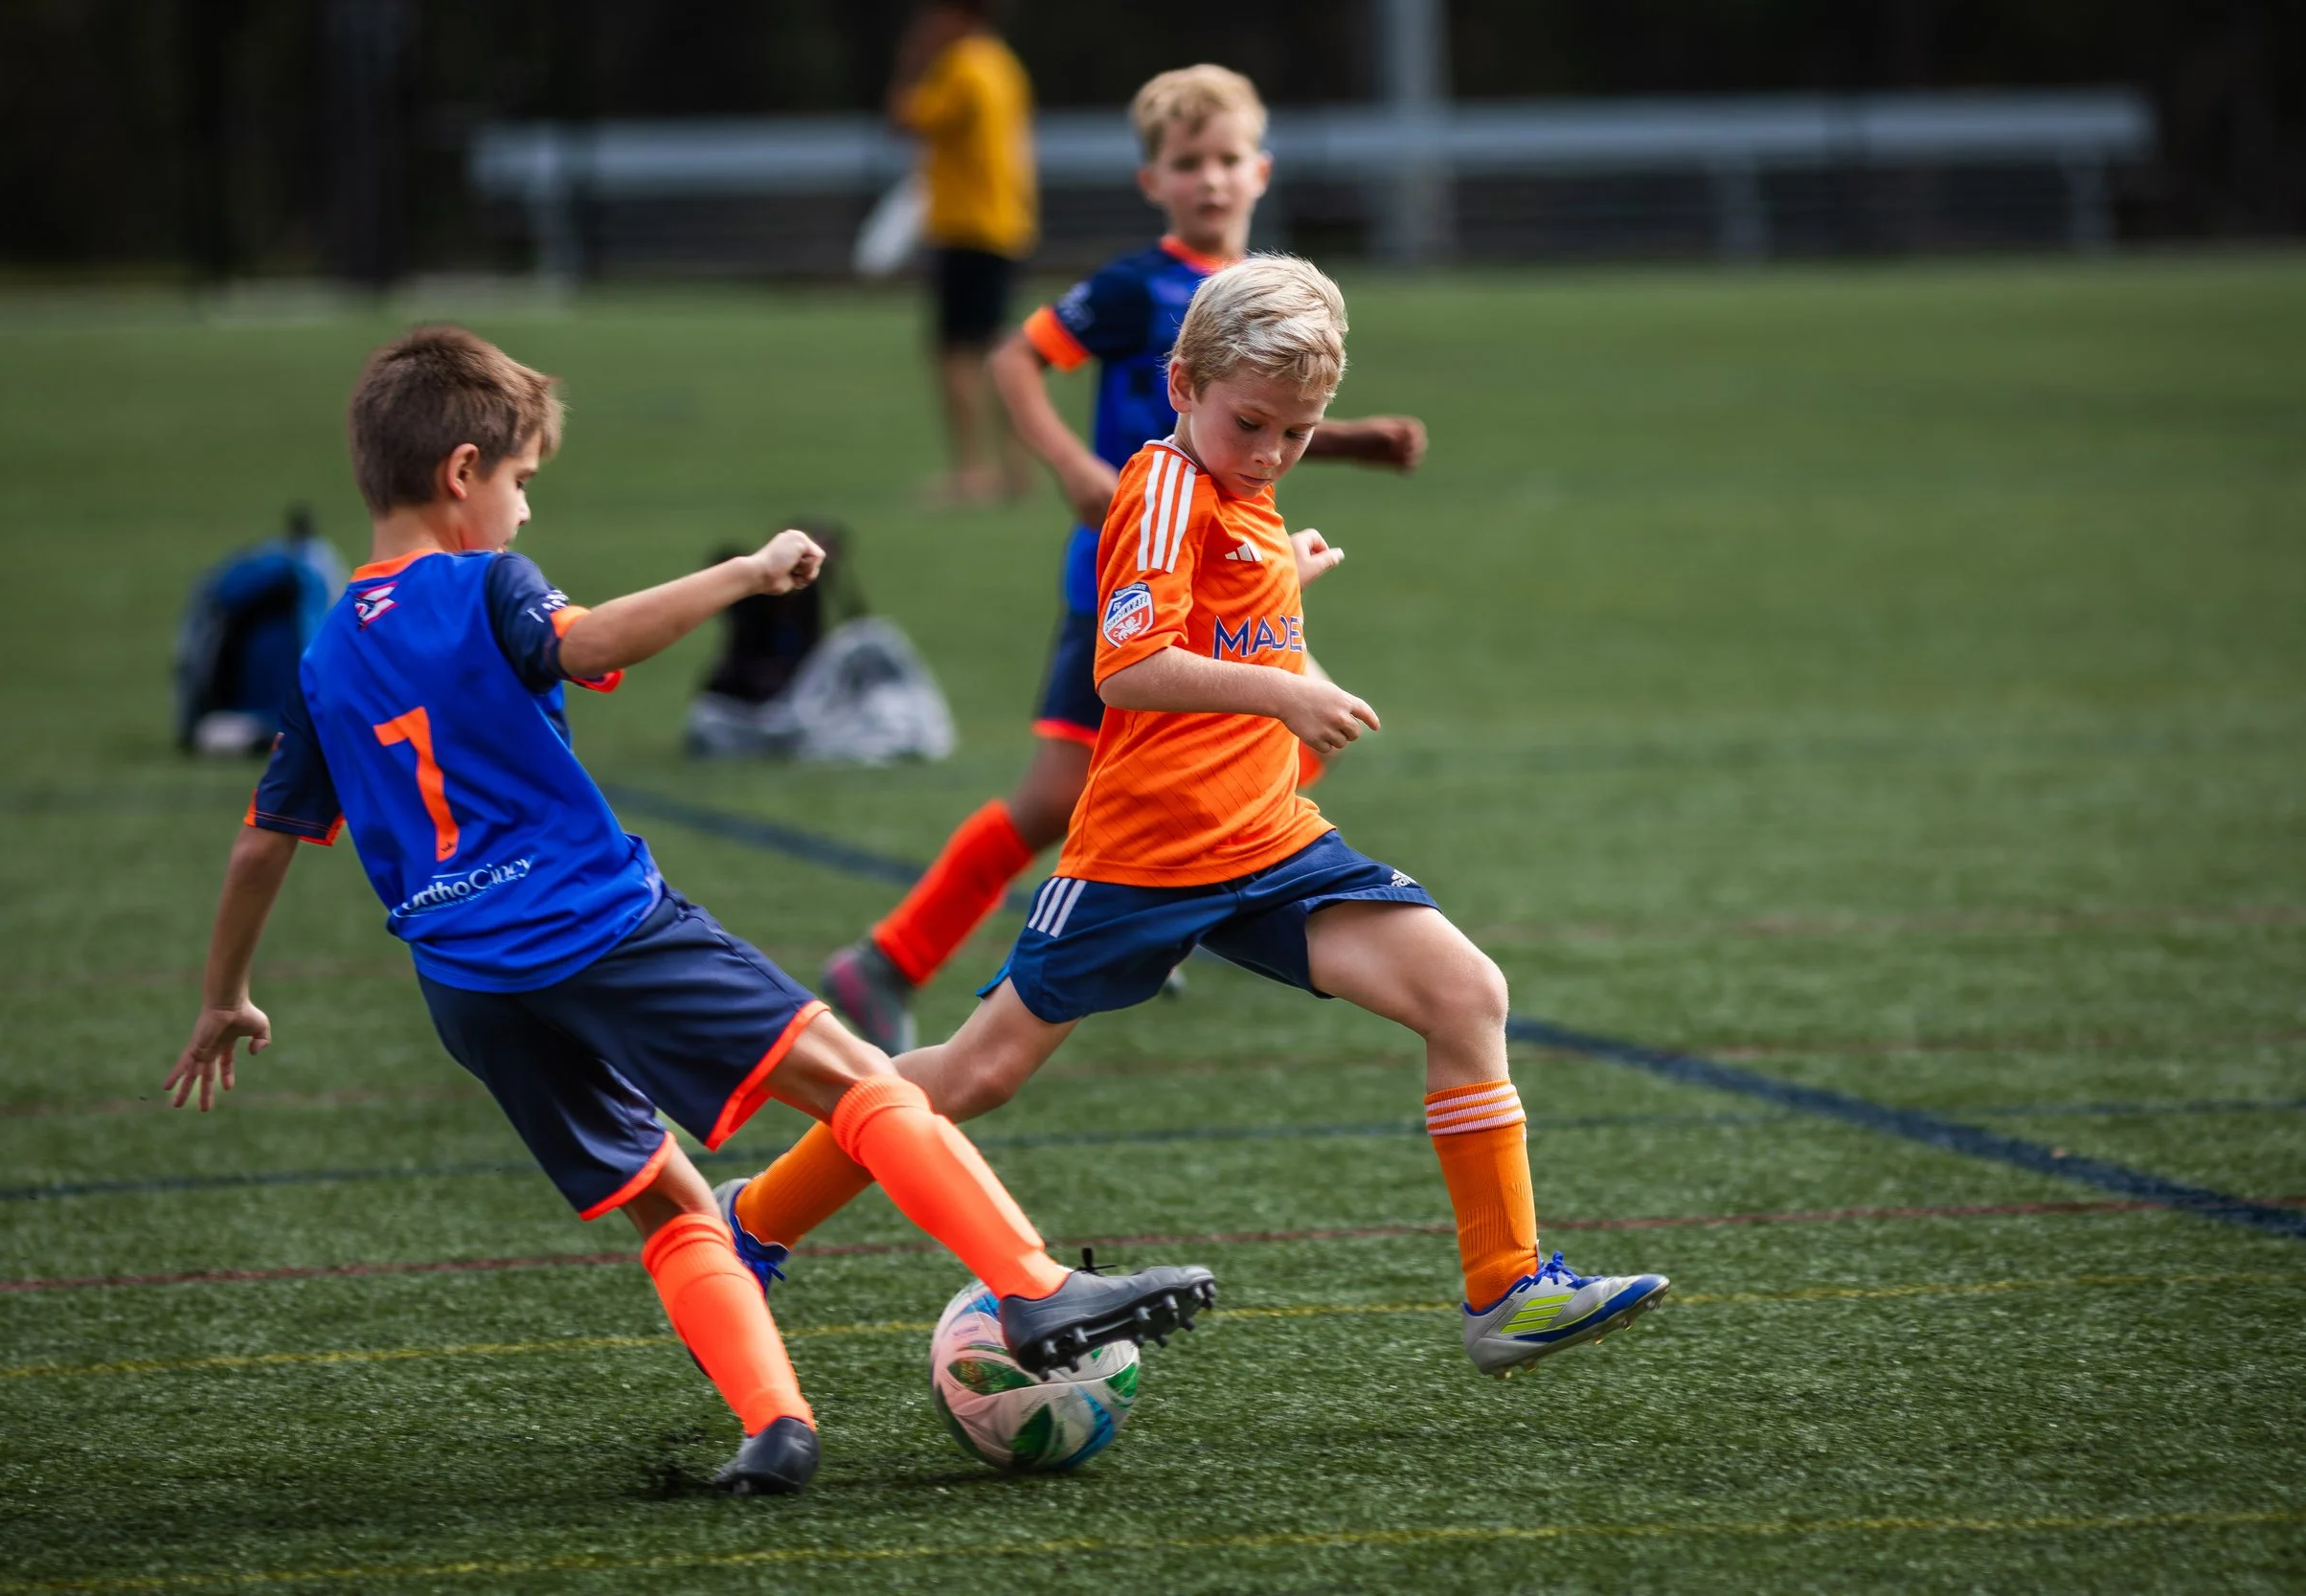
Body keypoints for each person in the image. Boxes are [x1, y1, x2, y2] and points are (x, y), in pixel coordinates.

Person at [164, 326, 1216, 1496]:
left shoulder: (320, 656)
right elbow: (585, 640)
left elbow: (265, 838)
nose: (523, 515)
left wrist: (225, 995)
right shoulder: (483, 582)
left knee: (667, 1202)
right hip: (594, 919)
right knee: (861, 1080)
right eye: (521, 485)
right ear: (463, 473)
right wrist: (745, 574)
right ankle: (1029, 1283)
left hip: (467, 985)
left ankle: (776, 1425)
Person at [736, 259, 1668, 1381]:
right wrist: (1289, 689)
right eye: (1253, 424)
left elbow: (1214, 615)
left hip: (1267, 840)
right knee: (977, 1075)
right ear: (1180, 385)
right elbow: (1128, 667)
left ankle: (1505, 1285)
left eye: (1297, 431)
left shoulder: (1241, 486)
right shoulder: (1166, 484)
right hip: (1145, 852)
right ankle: (756, 1216)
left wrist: (1286, 589)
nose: (1273, 451)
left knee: (1465, 991)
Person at [824, 64, 1428, 1053]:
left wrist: (1354, 441)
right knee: (1054, 797)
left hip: (1229, 586)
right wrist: (1070, 464)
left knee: (1300, 735)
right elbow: (1014, 357)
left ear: (1261, 171)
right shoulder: (1135, 288)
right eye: (1187, 163)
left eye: (1228, 159)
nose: (1211, 180)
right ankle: (889, 958)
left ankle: (1182, 887)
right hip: (1130, 589)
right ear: (1154, 180)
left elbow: (1269, 423)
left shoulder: (1266, 301)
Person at [889, 0, 1034, 505]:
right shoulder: (1002, 63)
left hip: (969, 228)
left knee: (956, 353)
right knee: (998, 350)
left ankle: (972, 472)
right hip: (1007, 223)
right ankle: (1014, 469)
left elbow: (904, 119)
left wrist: (913, 60)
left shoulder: (959, 66)